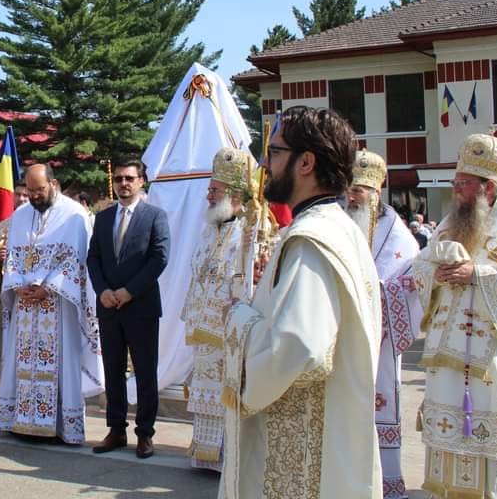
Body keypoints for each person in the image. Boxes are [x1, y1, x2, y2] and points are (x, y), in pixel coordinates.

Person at [219, 106, 382, 499]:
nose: (265, 164)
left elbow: (301, 344)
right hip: (330, 423)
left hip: (301, 436)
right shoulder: (341, 229)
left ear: (306, 162)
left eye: (274, 152)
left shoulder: (311, 240)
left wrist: (238, 319)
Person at [409, 134, 497, 498]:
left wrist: (477, 275)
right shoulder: (449, 223)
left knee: (491, 429)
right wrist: (436, 275)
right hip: (446, 357)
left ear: (489, 187)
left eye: (464, 184)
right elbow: (420, 266)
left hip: (492, 360)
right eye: (455, 183)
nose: (456, 190)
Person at [0, 164, 103, 444]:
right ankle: (22, 421)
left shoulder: (75, 215)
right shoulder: (20, 215)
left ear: (53, 184)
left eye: (39, 190)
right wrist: (18, 284)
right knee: (22, 363)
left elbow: (78, 261)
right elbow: (13, 257)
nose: (33, 196)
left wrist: (47, 288)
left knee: (60, 364)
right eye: (29, 190)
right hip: (25, 306)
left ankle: (59, 426)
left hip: (59, 305)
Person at [179, 147, 268, 471]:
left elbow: (251, 278)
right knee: (205, 392)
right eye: (209, 190)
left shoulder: (249, 231)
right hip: (204, 328)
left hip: (229, 327)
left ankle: (229, 459)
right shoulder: (209, 229)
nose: (208, 196)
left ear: (233, 194)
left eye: (214, 190)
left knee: (226, 392)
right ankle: (205, 456)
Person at [345, 149, 422, 499]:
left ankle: (383, 485)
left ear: (376, 192)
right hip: (341, 340)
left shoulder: (400, 238)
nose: (351, 196)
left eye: (358, 190)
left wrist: (375, 292)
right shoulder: (341, 225)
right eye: (349, 189)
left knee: (379, 405)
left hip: (381, 343)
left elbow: (411, 284)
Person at [87, 159, 170, 459]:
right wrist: (103, 291)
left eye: (129, 178)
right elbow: (93, 257)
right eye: (119, 178)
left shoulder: (155, 216)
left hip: (141, 307)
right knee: (113, 371)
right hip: (109, 307)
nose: (123, 183)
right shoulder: (103, 218)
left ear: (141, 181)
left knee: (145, 372)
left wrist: (129, 291)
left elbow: (159, 258)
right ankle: (116, 429)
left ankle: (145, 433)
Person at [0, 182, 29, 404]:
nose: (22, 199)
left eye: (26, 195)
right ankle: (3, 401)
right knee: (6, 352)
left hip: (33, 301)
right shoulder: (3, 227)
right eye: (18, 195)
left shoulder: (43, 226)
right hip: (7, 305)